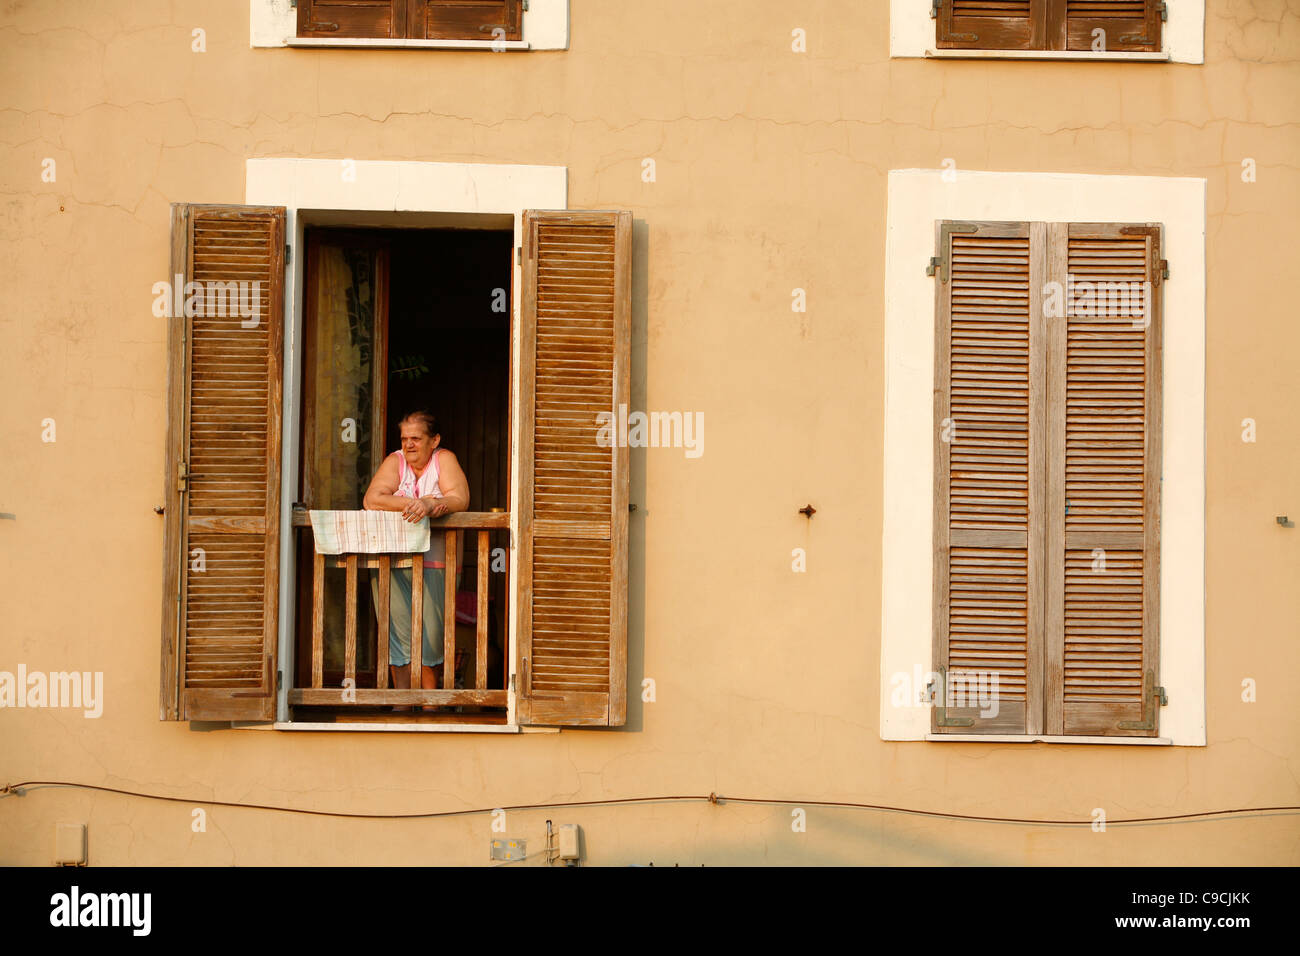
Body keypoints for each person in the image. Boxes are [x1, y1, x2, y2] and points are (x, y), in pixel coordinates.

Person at [362, 410, 469, 703]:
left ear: (434, 440)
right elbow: (372, 499)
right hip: (394, 557)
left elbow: (459, 498)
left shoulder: (444, 459)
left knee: (432, 635)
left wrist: (430, 504)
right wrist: (413, 504)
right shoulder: (394, 461)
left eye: (416, 438)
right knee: (397, 631)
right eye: (404, 439)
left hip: (438, 559)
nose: (409, 445)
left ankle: (429, 705)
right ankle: (402, 703)